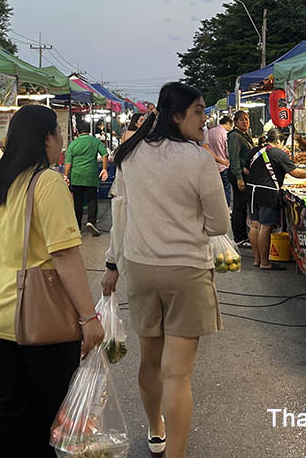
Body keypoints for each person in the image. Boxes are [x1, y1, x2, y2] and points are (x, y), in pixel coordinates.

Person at [0, 105, 104, 458]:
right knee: (43, 419)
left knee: (4, 411)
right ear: (47, 138)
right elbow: (65, 257)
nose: (62, 143)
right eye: (60, 135)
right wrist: (89, 318)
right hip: (38, 323)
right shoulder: (47, 183)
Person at [101, 82, 230, 458]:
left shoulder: (130, 154)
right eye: (199, 111)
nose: (205, 120)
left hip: (141, 269)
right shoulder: (199, 160)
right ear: (177, 116)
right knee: (178, 374)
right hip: (187, 271)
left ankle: (155, 427)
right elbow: (220, 224)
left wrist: (112, 263)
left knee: (150, 359)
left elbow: (119, 215)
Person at [246, 128, 306, 269]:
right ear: (279, 141)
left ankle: (256, 260)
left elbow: (246, 170)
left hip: (251, 191)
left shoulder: (255, 151)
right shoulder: (279, 153)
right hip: (267, 193)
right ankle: (265, 262)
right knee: (265, 227)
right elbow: (296, 172)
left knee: (255, 225)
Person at [63, 120, 109, 236]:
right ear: (89, 130)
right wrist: (104, 169)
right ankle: (91, 222)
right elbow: (105, 154)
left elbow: (68, 162)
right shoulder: (95, 141)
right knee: (92, 199)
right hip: (91, 176)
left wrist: (65, 175)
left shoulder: (73, 144)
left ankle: (77, 226)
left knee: (77, 201)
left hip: (76, 176)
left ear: (77, 131)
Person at [226, 111, 255, 246]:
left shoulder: (244, 135)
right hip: (238, 175)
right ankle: (239, 237)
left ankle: (243, 235)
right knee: (239, 206)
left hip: (244, 174)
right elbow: (234, 158)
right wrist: (239, 178)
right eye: (242, 120)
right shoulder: (234, 136)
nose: (245, 122)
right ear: (236, 122)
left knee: (243, 205)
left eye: (247, 119)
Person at [202, 114, 233, 204]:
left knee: (216, 190)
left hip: (212, 165)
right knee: (226, 189)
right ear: (227, 124)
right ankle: (226, 208)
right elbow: (227, 151)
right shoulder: (224, 133)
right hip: (223, 165)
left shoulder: (210, 131)